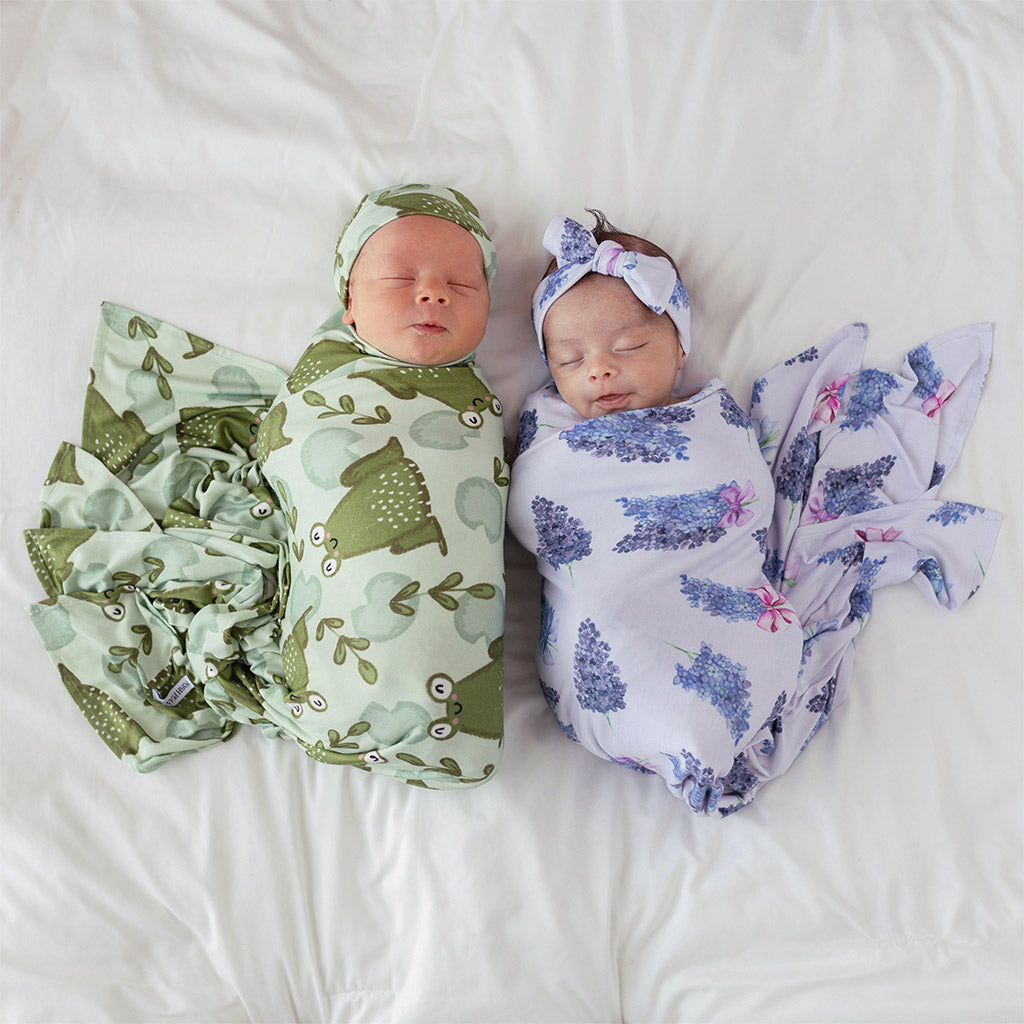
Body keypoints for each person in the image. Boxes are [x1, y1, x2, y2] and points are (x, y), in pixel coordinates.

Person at [507, 212, 1001, 815]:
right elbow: (534, 503)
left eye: (629, 346)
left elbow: (740, 493)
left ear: (679, 345)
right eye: (569, 359)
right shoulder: (549, 431)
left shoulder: (712, 422)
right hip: (602, 630)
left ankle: (699, 739)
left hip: (702, 599)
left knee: (736, 653)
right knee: (609, 613)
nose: (598, 369)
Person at [24, 184, 507, 789]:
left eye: (463, 285)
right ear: (349, 306)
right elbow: (291, 444)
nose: (433, 292)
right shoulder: (328, 392)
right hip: (340, 652)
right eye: (400, 277)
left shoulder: (484, 404)